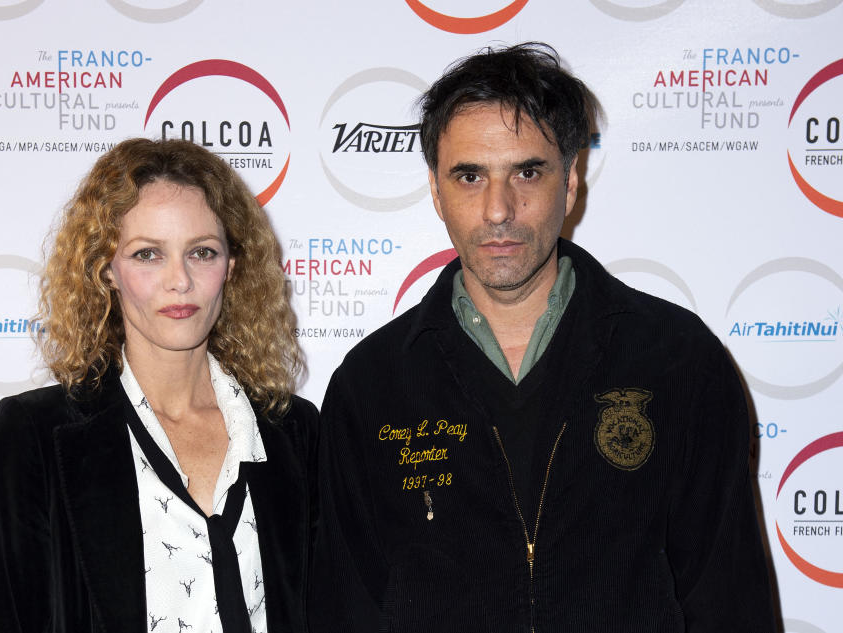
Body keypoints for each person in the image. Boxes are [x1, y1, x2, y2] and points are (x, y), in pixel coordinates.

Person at [309, 43, 776, 632]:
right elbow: (347, 609)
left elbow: (727, 599)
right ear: (435, 192)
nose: (499, 208)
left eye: (527, 172)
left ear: (571, 181)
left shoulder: (677, 359)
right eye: (469, 176)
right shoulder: (371, 383)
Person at [0, 138, 317, 633]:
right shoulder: (35, 434)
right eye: (148, 254)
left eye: (202, 252)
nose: (179, 280)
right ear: (107, 270)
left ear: (232, 268)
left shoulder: (293, 433)